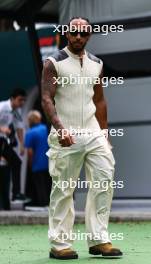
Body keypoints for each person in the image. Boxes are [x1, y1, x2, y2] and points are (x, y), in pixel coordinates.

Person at [41, 17, 123, 259]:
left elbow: (99, 100)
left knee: (104, 179)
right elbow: (46, 98)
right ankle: (59, 244)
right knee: (64, 188)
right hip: (65, 133)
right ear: (67, 33)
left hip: (93, 132)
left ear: (89, 36)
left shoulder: (97, 63)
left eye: (84, 33)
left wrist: (105, 134)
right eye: (75, 33)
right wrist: (60, 128)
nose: (79, 37)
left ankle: (99, 240)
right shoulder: (53, 62)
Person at [0, 88, 26, 201]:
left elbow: (19, 127)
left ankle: (16, 194)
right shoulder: (2, 106)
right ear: (12, 99)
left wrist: (21, 144)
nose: (22, 103)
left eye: (24, 100)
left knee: (17, 162)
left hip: (3, 141)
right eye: (20, 100)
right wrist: (1, 128)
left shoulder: (17, 111)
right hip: (1, 138)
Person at [24, 110, 51, 206]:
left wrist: (31, 164)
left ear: (31, 120)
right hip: (50, 163)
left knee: (40, 186)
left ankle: (43, 204)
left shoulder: (30, 133)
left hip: (37, 164)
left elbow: (30, 152)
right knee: (49, 185)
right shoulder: (47, 129)